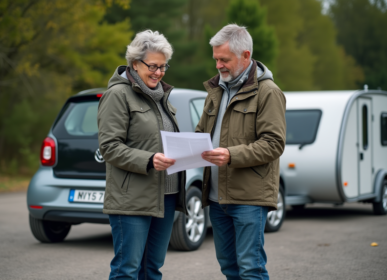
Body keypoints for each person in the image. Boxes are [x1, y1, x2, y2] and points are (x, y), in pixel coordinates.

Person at [196, 24, 286, 279]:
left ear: (245, 55)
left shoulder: (268, 92)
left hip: (248, 199)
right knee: (229, 268)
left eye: (224, 59)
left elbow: (274, 143)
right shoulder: (215, 91)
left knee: (250, 268)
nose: (218, 66)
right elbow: (201, 132)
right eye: (215, 59)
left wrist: (231, 155)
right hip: (216, 199)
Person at [97, 30, 186, 280]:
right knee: (127, 271)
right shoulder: (117, 95)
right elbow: (109, 146)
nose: (158, 72)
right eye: (153, 66)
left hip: (166, 196)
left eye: (163, 66)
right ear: (135, 63)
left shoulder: (161, 98)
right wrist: (148, 160)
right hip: (132, 199)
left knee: (152, 270)